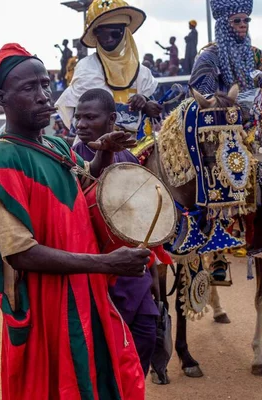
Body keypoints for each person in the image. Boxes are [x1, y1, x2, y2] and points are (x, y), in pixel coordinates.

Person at [0, 42, 146, 400]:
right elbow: (21, 253)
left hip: (86, 293)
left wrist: (104, 154)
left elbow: (82, 188)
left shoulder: (55, 145)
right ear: (2, 97)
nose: (42, 96)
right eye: (28, 88)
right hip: (49, 307)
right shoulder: (0, 165)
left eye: (44, 84)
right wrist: (105, 263)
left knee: (104, 379)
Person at [72, 88, 160, 376]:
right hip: (98, 274)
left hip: (136, 274)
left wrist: (154, 275)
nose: (81, 124)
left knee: (145, 336)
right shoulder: (71, 159)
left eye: (89, 117)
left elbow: (143, 219)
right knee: (107, 356)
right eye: (78, 117)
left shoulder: (129, 158)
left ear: (111, 119)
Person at [56, 0, 161, 135]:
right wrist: (143, 108)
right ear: (96, 36)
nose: (109, 39)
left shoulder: (143, 72)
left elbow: (152, 111)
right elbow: (94, 112)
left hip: (138, 147)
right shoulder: (87, 68)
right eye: (103, 34)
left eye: (115, 33)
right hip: (95, 147)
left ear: (125, 33)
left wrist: (147, 102)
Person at [190, 0, 262, 95]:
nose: (243, 25)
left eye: (246, 20)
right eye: (237, 21)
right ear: (223, 24)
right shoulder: (209, 58)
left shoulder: (257, 54)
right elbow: (199, 100)